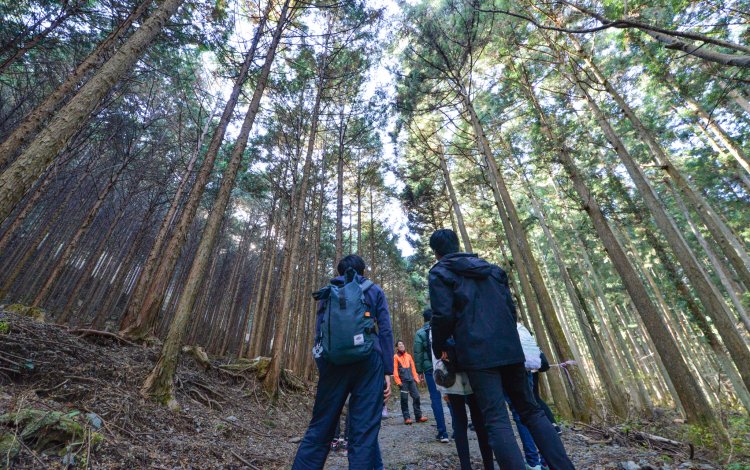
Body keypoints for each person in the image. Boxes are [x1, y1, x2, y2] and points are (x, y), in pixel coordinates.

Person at [428, 229, 575, 470]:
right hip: (509, 348)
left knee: (496, 419)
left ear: (436, 253)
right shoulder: (492, 270)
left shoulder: (440, 272)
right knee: (532, 411)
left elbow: (442, 315)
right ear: (457, 245)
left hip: (477, 354)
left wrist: (440, 346)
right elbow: (510, 309)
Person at [292, 255, 394, 470]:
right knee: (363, 432)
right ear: (363, 271)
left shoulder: (328, 292)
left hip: (333, 364)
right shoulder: (374, 290)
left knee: (320, 428)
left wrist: (325, 367)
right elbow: (385, 330)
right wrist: (387, 371)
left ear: (340, 272)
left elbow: (319, 333)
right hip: (369, 362)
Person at [431, 335, 494, 470]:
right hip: (472, 369)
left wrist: (441, 389)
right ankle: (489, 465)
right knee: (480, 420)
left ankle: (466, 466)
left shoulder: (439, 320)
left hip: (451, 373)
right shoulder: (471, 315)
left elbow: (436, 352)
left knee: (459, 420)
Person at [414, 308, 449, 442]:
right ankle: (457, 431)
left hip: (429, 369)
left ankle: (442, 432)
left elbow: (418, 354)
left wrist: (419, 372)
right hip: (444, 367)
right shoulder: (440, 329)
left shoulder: (420, 333)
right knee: (449, 396)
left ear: (424, 319)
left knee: (435, 399)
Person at [393, 341, 426, 425]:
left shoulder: (409, 356)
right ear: (397, 347)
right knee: (404, 399)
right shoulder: (396, 357)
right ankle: (407, 418)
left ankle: (418, 417)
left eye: (402, 344)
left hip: (411, 380)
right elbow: (395, 370)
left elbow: (413, 369)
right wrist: (398, 382)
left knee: (417, 397)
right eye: (399, 344)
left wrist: (417, 379)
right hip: (403, 382)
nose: (401, 345)